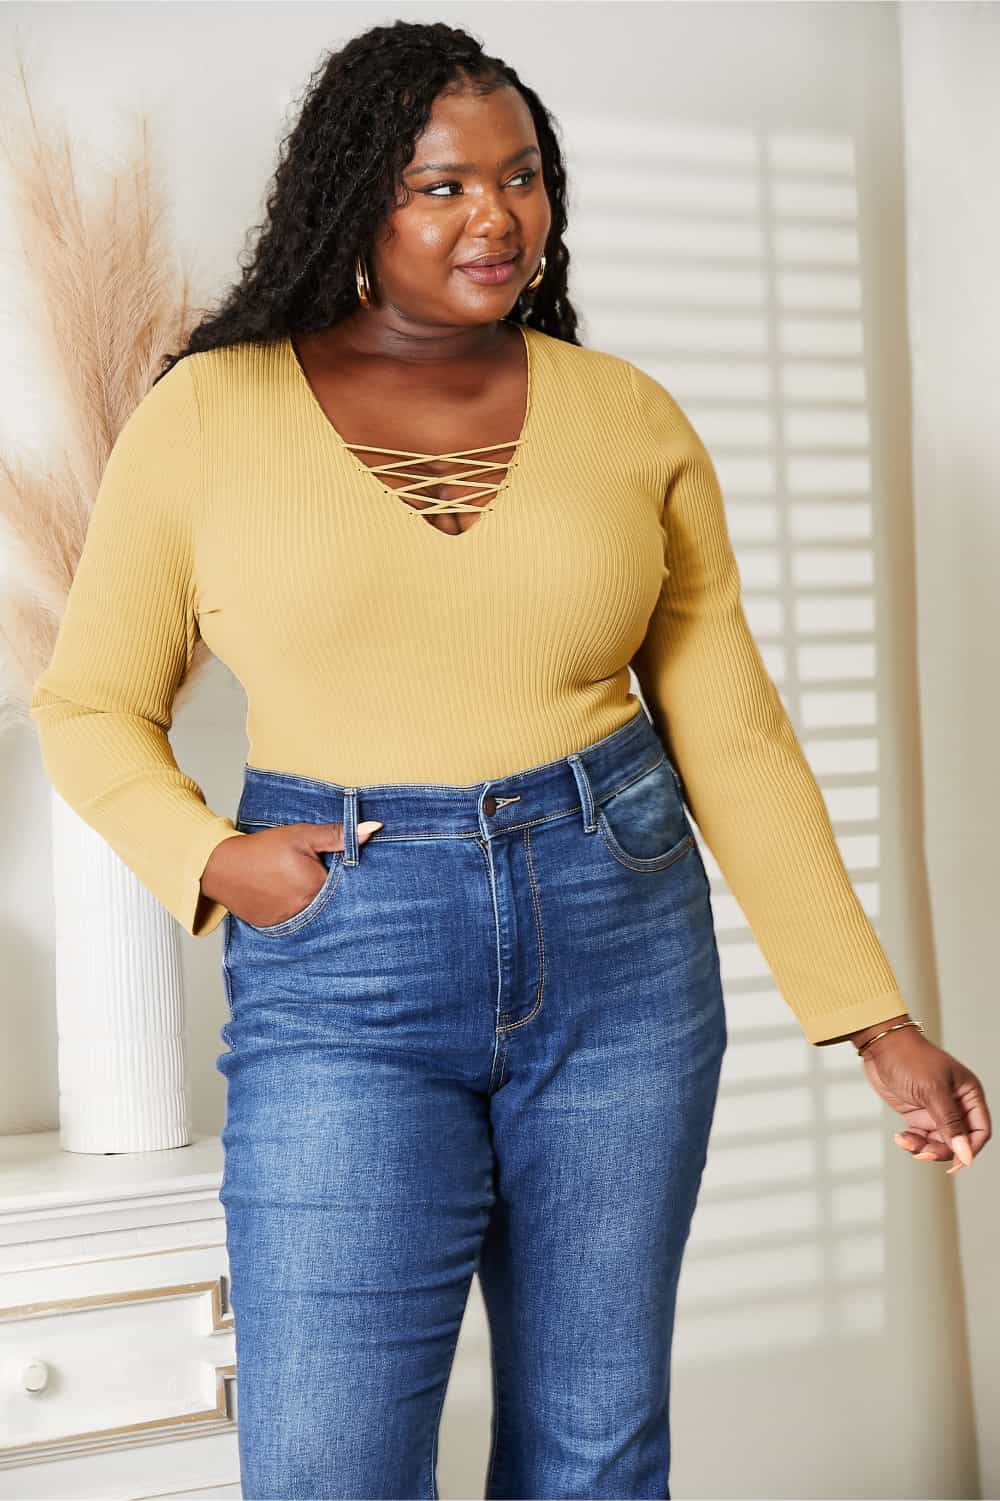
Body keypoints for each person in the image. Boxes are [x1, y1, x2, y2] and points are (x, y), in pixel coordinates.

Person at [29, 19, 991, 1501]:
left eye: (523, 177)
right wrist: (214, 861)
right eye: (442, 186)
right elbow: (88, 701)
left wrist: (874, 1023)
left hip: (618, 933)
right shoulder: (207, 415)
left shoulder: (626, 420)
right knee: (330, 1468)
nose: (498, 216)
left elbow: (731, 733)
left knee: (593, 1456)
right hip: (343, 955)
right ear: (355, 202)